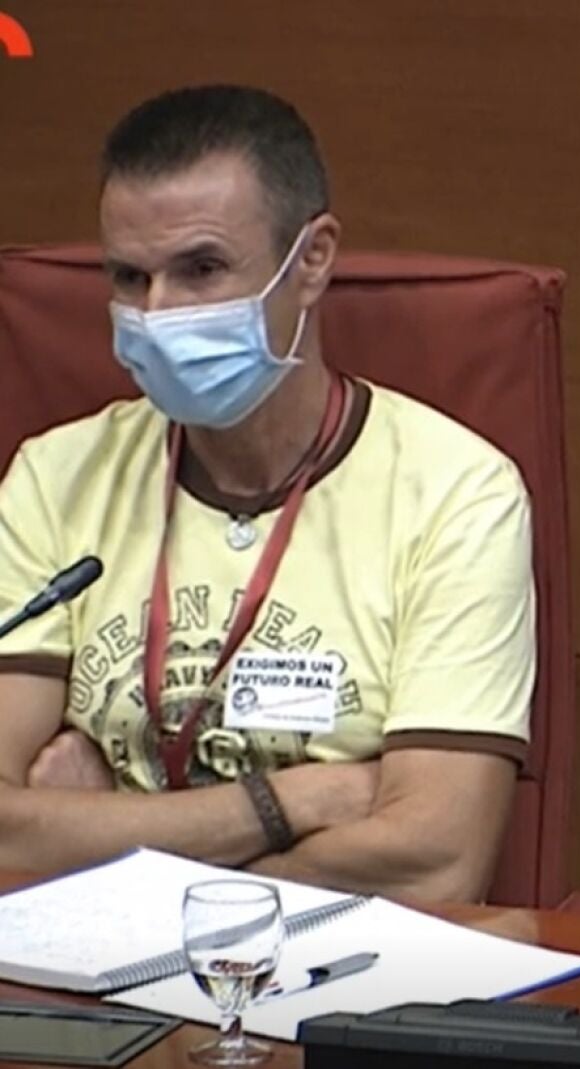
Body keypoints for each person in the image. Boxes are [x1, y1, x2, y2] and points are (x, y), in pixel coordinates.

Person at [0, 86, 535, 903]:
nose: (157, 313)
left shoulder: (457, 493)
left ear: (312, 259)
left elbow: (436, 860)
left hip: (348, 970)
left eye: (201, 269)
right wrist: (290, 802)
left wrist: (95, 834)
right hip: (87, 975)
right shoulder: (55, 476)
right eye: (129, 277)